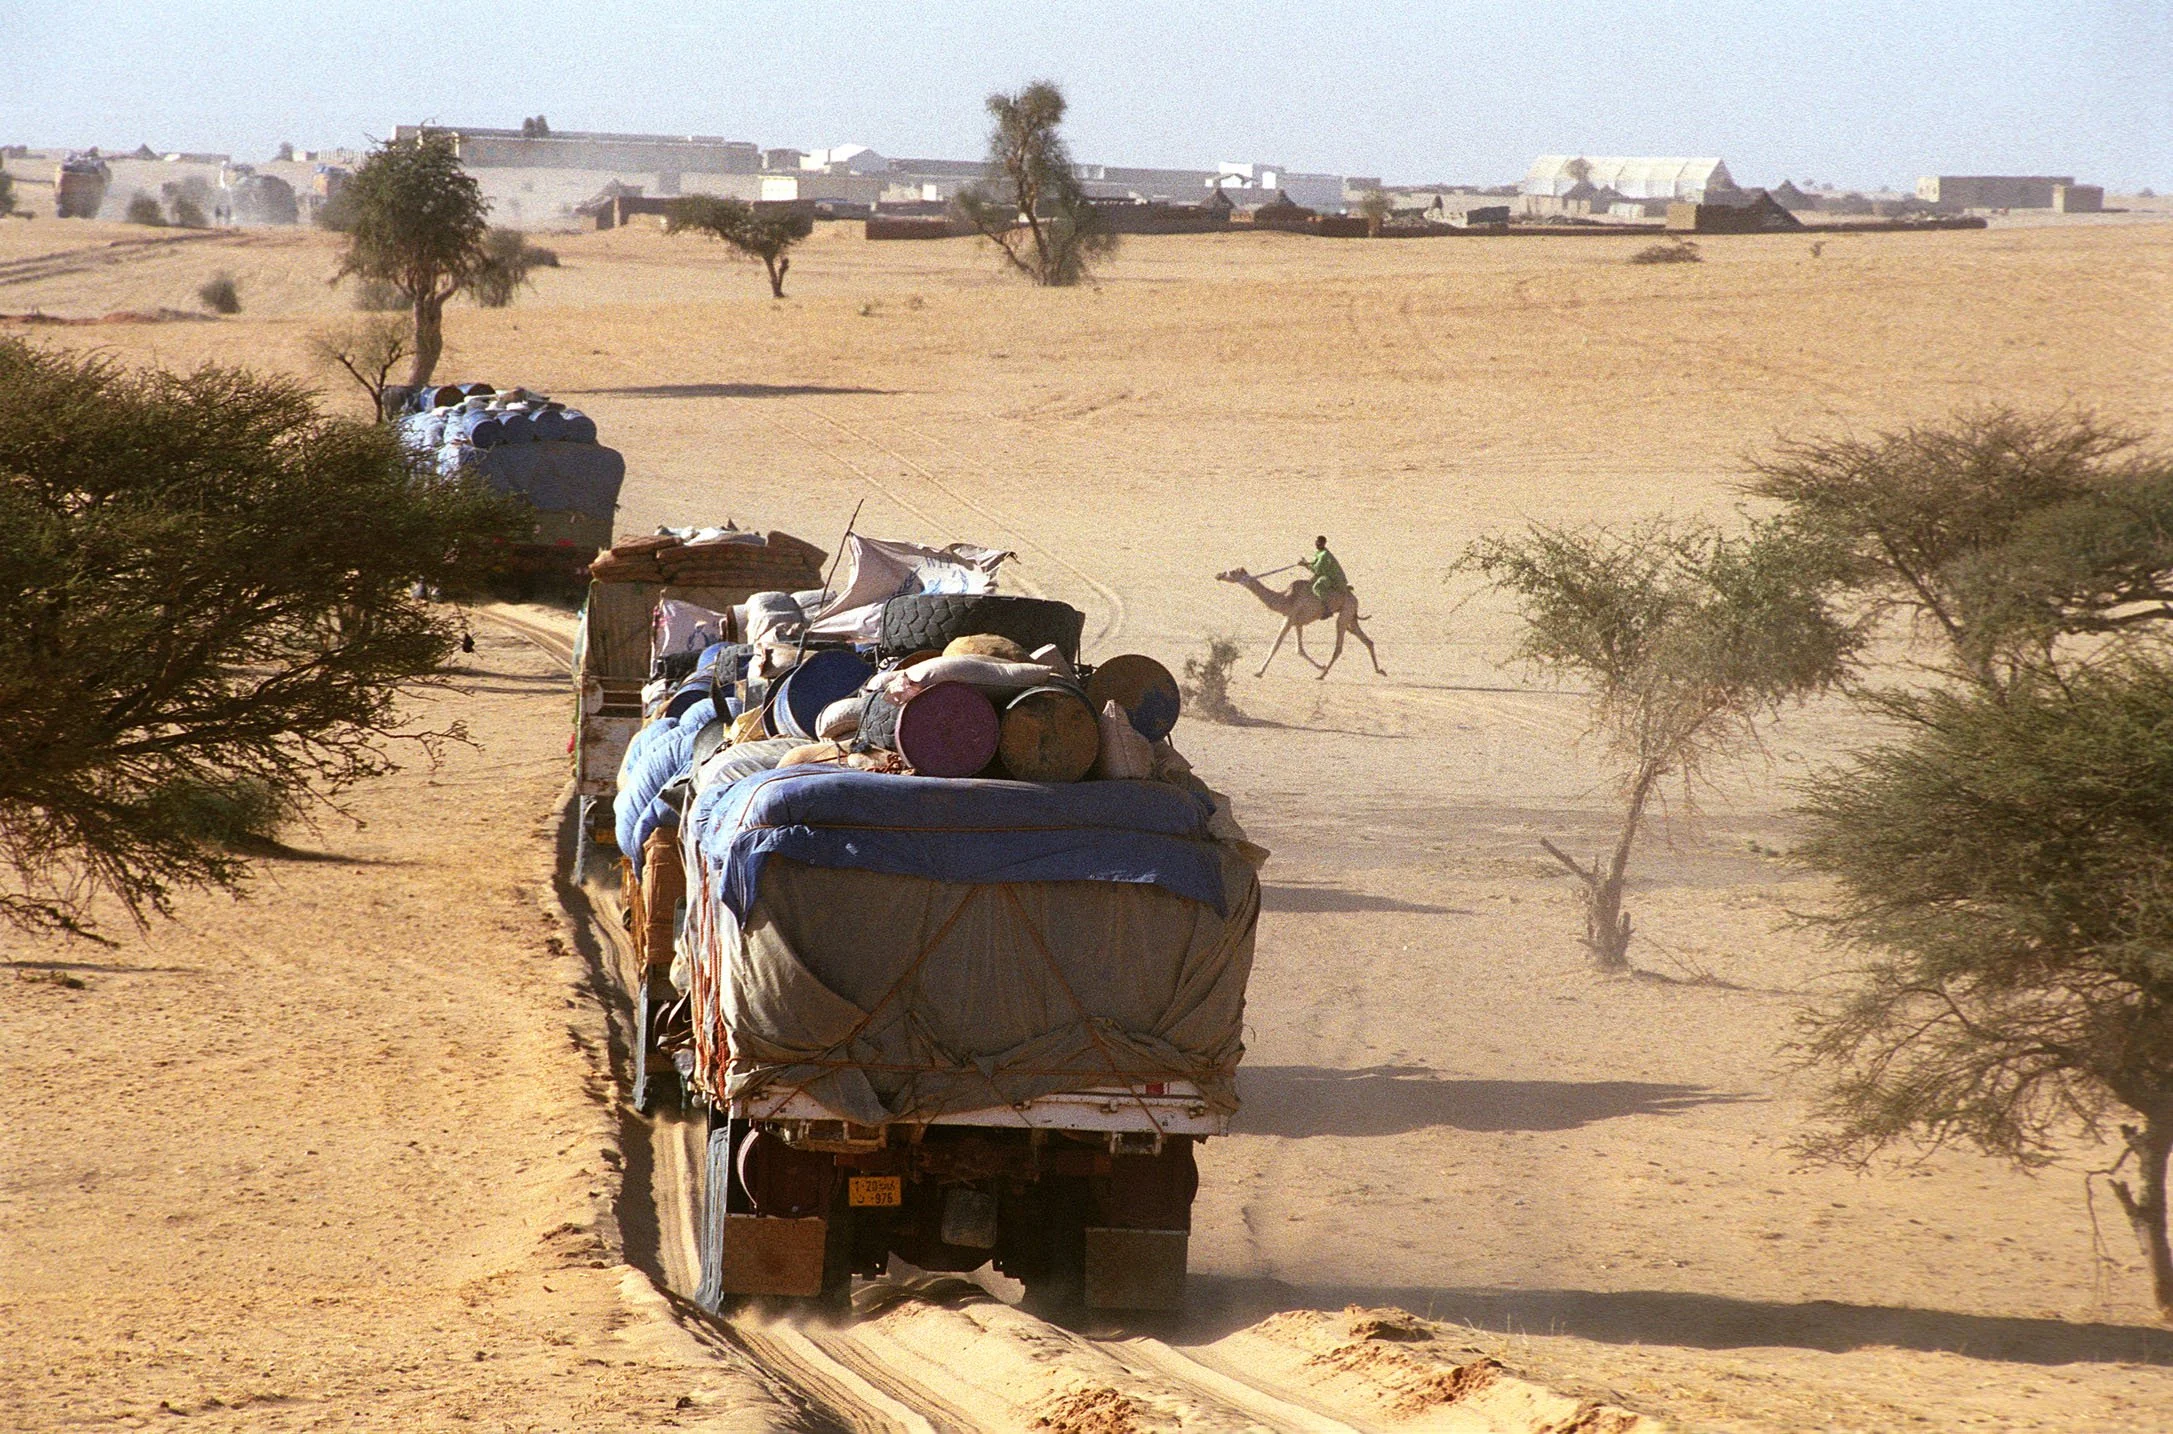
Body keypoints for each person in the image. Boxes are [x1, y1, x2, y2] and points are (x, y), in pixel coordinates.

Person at [1304, 535, 1349, 608]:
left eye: (1320, 543)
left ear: (1324, 543)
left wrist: (1305, 565)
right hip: (1326, 574)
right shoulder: (1319, 552)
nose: (1318, 544)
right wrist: (1306, 563)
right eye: (1317, 542)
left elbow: (1318, 570)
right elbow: (1314, 563)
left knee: (1317, 587)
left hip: (1334, 578)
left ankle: (1326, 608)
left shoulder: (1324, 555)